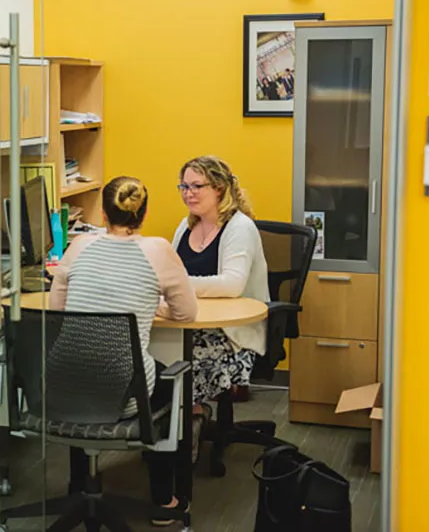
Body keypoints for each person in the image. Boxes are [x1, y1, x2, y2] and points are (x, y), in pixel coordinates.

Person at [50, 176, 197, 524]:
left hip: (58, 388)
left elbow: (58, 310)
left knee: (84, 361)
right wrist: (151, 304)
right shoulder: (159, 250)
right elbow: (187, 314)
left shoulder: (80, 245)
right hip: (123, 396)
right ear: (143, 216)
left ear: (103, 214)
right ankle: (163, 500)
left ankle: (78, 488)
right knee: (167, 380)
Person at [171, 156, 269, 459]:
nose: (189, 193)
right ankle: (183, 423)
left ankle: (187, 424)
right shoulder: (185, 227)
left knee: (184, 365)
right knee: (151, 356)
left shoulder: (239, 227)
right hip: (189, 324)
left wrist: (180, 285)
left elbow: (231, 285)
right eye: (184, 186)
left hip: (232, 336)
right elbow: (170, 274)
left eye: (197, 186)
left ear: (219, 189)